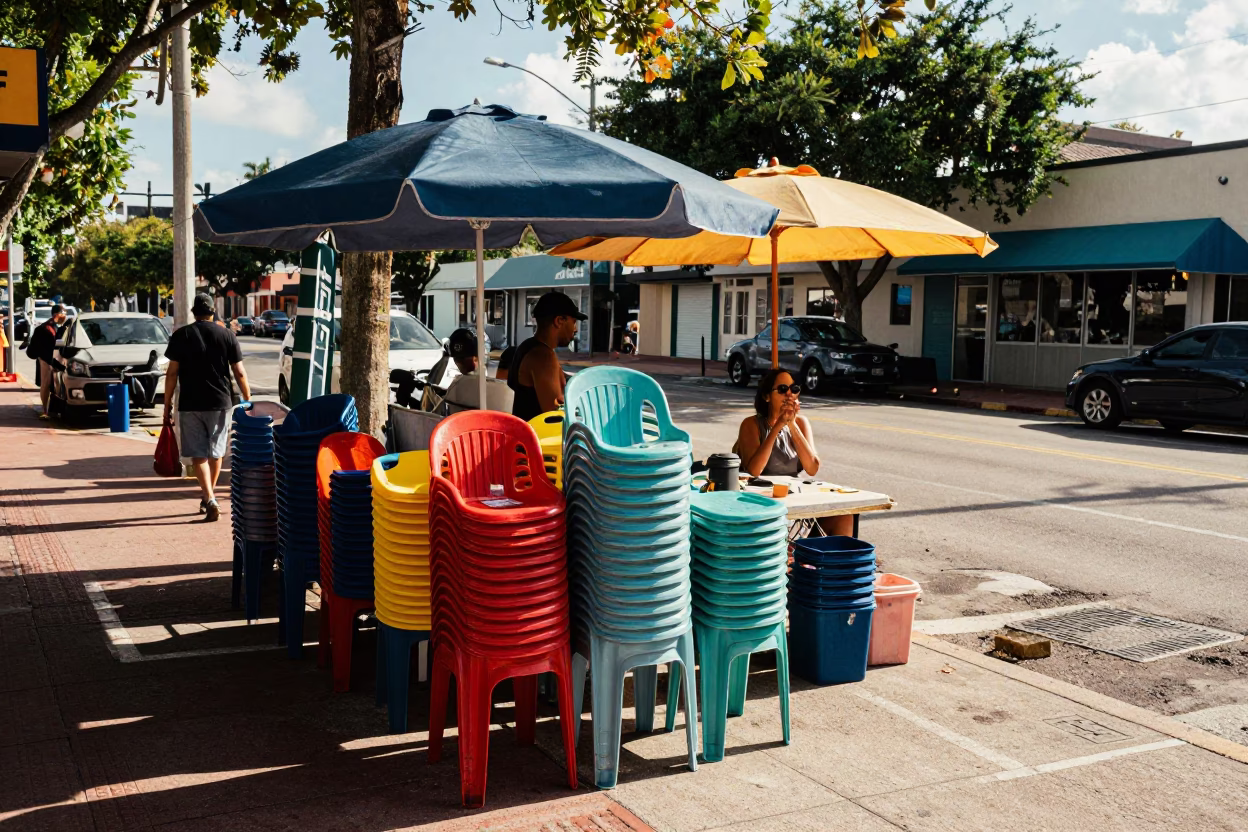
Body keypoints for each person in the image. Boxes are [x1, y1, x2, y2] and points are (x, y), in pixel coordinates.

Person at [162, 294, 252, 522]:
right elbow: (239, 372)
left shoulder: (181, 335)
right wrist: (247, 399)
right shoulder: (227, 335)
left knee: (198, 454)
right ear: (213, 312)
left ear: (194, 312)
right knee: (216, 451)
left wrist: (167, 403)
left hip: (190, 403)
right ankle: (209, 497)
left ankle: (209, 498)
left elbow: (171, 374)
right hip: (221, 402)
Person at [509, 292, 585, 422]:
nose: (576, 329)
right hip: (537, 439)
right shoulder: (543, 356)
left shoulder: (527, 346)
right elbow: (554, 417)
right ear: (559, 321)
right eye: (573, 322)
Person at [736, 368, 820, 479]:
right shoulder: (751, 424)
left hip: (791, 490)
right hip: (760, 490)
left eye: (794, 389)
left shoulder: (801, 423)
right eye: (782, 389)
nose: (789, 394)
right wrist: (778, 426)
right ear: (767, 396)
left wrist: (792, 424)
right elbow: (754, 471)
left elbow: (812, 469)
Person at [27, 304, 68, 419]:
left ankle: (52, 408)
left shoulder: (55, 326)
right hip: (45, 360)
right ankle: (45, 410)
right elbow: (45, 353)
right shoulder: (46, 329)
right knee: (46, 384)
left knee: (54, 385)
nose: (65, 316)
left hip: (53, 359)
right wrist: (57, 365)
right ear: (57, 314)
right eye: (64, 314)